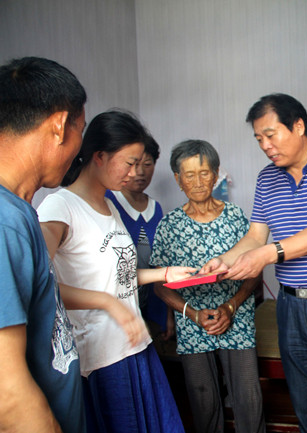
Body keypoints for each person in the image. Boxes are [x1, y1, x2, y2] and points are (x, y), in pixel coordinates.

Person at [202, 93, 307, 433]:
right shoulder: (266, 178)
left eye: (271, 135)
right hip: (291, 306)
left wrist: (267, 255)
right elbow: (256, 236)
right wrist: (223, 260)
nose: (265, 146)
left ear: (298, 126)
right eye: (258, 139)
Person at [38, 110, 195, 433]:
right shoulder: (60, 207)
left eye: (141, 164)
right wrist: (108, 303)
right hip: (99, 357)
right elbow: (39, 284)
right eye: (130, 163)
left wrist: (164, 274)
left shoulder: (110, 206)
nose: (136, 173)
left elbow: (117, 277)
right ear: (99, 156)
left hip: (133, 344)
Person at [150, 139, 265, 433]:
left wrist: (231, 306)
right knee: (204, 405)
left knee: (249, 401)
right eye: (189, 175)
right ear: (178, 180)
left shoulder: (236, 217)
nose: (198, 182)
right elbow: (159, 284)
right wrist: (192, 313)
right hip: (192, 325)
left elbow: (255, 270)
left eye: (204, 173)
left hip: (236, 319)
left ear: (215, 175)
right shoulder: (169, 225)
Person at [0, 56, 86, 433]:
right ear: (60, 126)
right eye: (81, 130)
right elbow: (8, 395)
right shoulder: (6, 222)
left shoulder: (19, 212)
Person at [106, 134, 172, 340]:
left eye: (148, 164)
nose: (140, 172)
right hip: (118, 304)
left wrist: (168, 314)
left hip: (151, 301)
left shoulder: (155, 208)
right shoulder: (108, 201)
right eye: (134, 164)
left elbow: (161, 262)